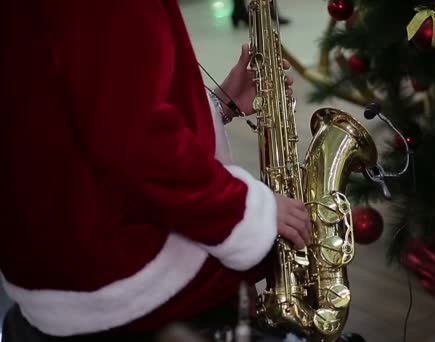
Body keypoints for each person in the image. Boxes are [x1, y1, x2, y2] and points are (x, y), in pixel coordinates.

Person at [0, 0, 311, 340]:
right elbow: (132, 141)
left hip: (59, 264)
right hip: (124, 277)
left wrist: (219, 106)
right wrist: (249, 210)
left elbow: (76, 110)